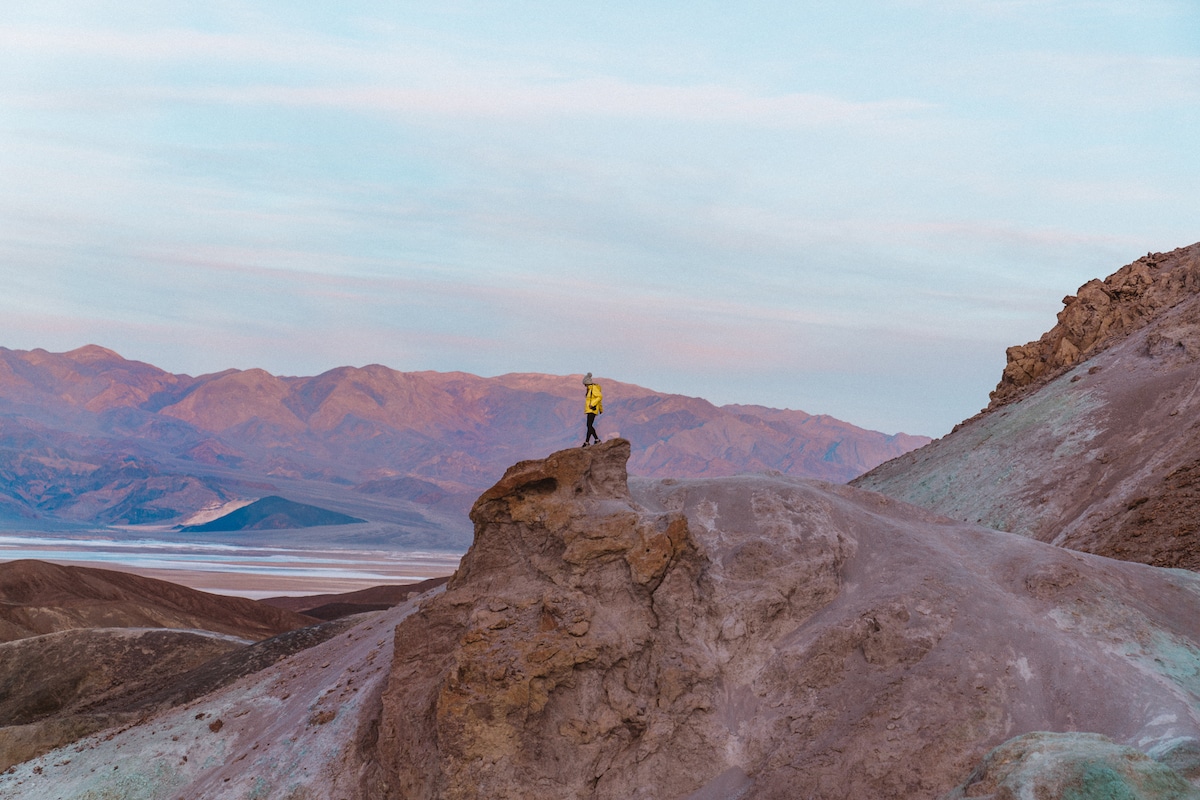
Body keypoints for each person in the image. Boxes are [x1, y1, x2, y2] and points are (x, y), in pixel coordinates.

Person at [582, 372, 603, 446]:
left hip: (592, 409)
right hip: (591, 409)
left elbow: (599, 397)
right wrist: (600, 409)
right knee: (589, 425)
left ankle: (596, 440)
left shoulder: (593, 388)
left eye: (585, 384)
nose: (585, 386)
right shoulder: (590, 389)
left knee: (589, 425)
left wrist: (592, 404)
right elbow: (598, 399)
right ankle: (587, 442)